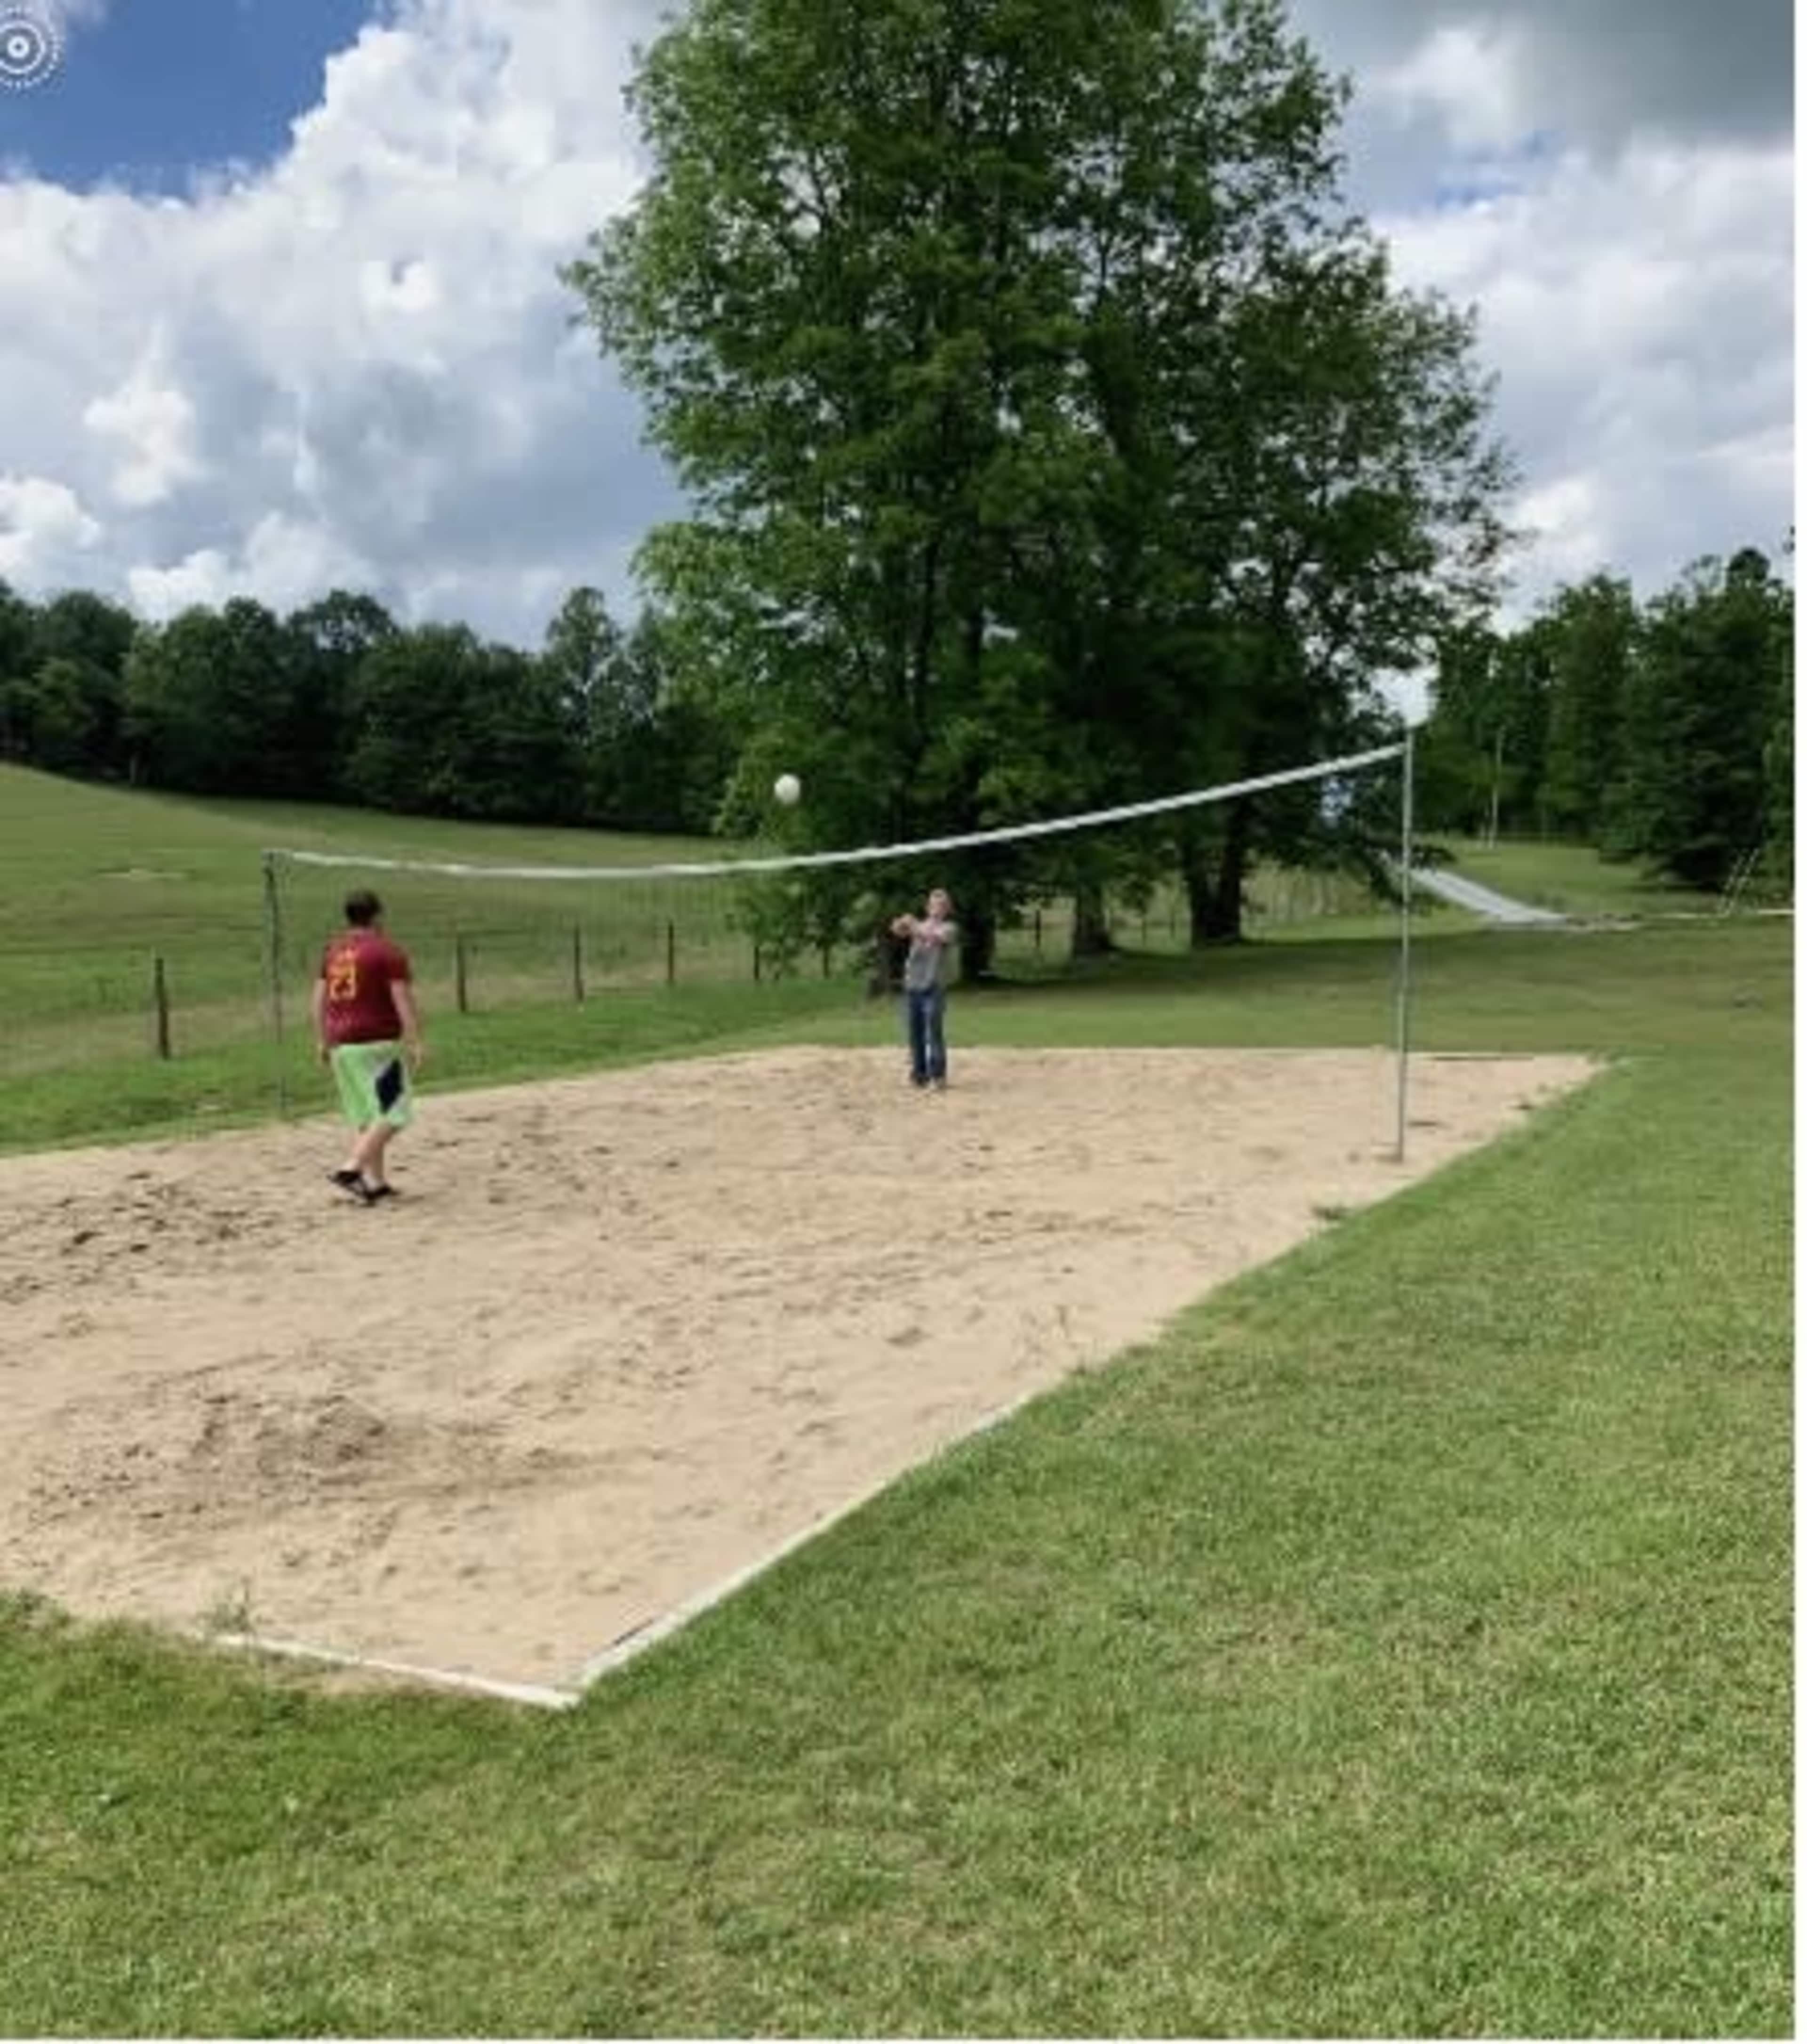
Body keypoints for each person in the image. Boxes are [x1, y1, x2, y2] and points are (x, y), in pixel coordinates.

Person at [312, 888, 424, 1203]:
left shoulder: (332, 951)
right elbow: (402, 998)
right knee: (394, 1112)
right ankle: (351, 1169)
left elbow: (318, 998)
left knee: (367, 1115)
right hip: (378, 1044)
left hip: (342, 1047)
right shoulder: (387, 951)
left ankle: (376, 1184)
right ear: (377, 916)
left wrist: (322, 1038)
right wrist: (415, 1040)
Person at [890, 886, 958, 1089]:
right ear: (928, 907)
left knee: (933, 1033)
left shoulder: (950, 928)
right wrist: (901, 923)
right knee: (915, 1033)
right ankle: (919, 1076)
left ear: (947, 910)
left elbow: (935, 937)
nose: (937, 908)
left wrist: (913, 924)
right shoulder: (920, 925)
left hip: (933, 987)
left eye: (942, 905)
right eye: (934, 904)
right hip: (913, 986)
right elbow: (897, 931)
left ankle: (938, 1077)